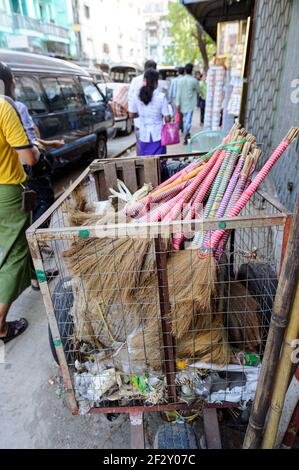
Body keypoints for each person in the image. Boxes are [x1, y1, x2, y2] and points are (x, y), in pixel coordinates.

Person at [0, 94, 40, 344]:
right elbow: (29, 158)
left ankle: (38, 279)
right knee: (15, 255)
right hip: (6, 191)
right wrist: (36, 147)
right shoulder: (3, 107)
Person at [129, 69, 171, 157]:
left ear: (144, 81)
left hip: (143, 135)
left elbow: (131, 114)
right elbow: (167, 118)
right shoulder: (161, 97)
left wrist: (141, 114)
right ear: (155, 82)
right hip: (158, 135)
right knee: (160, 163)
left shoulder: (136, 96)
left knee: (147, 162)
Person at [176, 63, 201, 145]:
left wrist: (177, 104)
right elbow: (199, 91)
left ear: (185, 70)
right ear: (191, 70)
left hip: (182, 103)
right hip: (191, 103)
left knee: (184, 120)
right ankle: (186, 134)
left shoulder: (180, 81)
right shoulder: (194, 80)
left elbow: (178, 93)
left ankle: (186, 133)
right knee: (188, 120)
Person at [169, 67, 185, 131]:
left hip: (174, 99)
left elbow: (171, 91)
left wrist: (169, 100)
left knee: (176, 114)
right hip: (183, 100)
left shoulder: (173, 80)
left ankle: (176, 128)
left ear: (178, 72)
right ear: (184, 72)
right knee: (182, 114)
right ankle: (182, 127)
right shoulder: (185, 80)